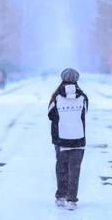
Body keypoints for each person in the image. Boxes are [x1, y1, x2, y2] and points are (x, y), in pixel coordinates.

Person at [48, 68, 88, 210]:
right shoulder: (83, 96)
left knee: (62, 168)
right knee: (75, 169)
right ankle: (72, 200)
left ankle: (60, 196)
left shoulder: (56, 97)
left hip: (60, 139)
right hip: (78, 138)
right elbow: (84, 114)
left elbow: (50, 115)